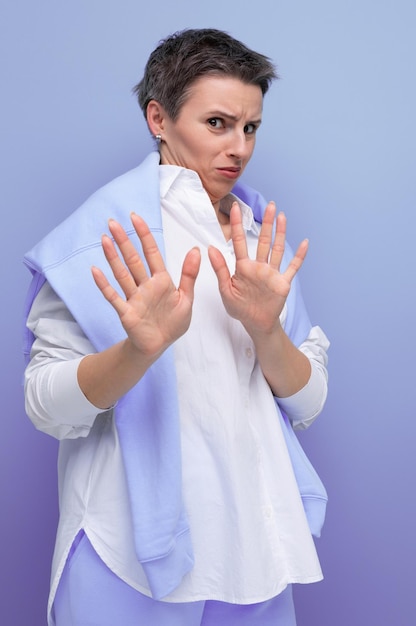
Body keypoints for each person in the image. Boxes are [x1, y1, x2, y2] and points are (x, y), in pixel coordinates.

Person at [23, 28, 330, 626]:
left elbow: (310, 399)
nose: (238, 147)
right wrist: (138, 352)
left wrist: (268, 332)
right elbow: (45, 406)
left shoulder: (260, 237)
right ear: (158, 118)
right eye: (217, 123)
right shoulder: (105, 235)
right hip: (126, 555)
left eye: (251, 128)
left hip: (256, 556)